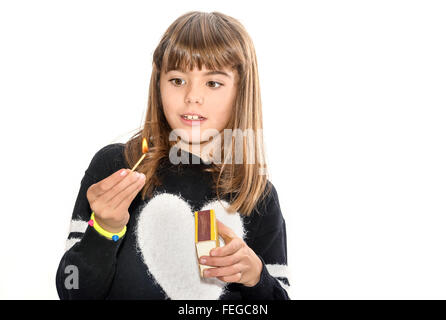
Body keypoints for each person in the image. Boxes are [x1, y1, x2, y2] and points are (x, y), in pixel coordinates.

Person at [56, 11, 290, 300]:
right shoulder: (115, 167)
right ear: (159, 83)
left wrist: (257, 278)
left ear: (240, 91)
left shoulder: (258, 196)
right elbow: (71, 291)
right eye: (178, 80)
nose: (192, 95)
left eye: (213, 83)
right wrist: (104, 230)